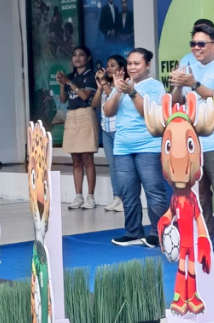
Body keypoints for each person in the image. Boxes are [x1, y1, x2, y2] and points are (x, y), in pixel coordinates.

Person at [170, 23, 214, 256]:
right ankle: (204, 236)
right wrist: (177, 85)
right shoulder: (188, 66)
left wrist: (194, 83)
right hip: (192, 143)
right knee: (199, 195)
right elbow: (176, 102)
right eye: (193, 44)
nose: (196, 48)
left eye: (201, 44)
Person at [103, 48, 167, 247]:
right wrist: (118, 91)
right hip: (122, 146)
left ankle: (159, 233)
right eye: (129, 63)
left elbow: (148, 113)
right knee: (128, 193)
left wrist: (132, 92)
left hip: (148, 145)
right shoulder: (121, 85)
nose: (132, 67)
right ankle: (133, 232)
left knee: (154, 192)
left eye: (137, 63)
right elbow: (107, 111)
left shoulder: (155, 86)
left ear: (147, 65)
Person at [56, 46, 99, 210]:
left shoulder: (91, 75)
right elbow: (63, 100)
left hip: (85, 114)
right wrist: (62, 85)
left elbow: (85, 96)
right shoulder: (71, 76)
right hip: (71, 115)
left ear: (88, 58)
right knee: (75, 160)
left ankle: (90, 197)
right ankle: (78, 196)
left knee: (88, 158)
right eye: (74, 55)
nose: (77, 58)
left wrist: (69, 83)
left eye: (81, 55)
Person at [91, 54, 127, 212]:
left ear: (122, 68)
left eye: (113, 65)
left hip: (118, 129)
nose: (108, 68)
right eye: (108, 65)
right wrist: (100, 88)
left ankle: (125, 199)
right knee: (112, 166)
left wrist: (104, 83)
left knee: (122, 166)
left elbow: (115, 100)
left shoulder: (123, 85)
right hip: (106, 130)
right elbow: (94, 104)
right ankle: (116, 197)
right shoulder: (105, 85)